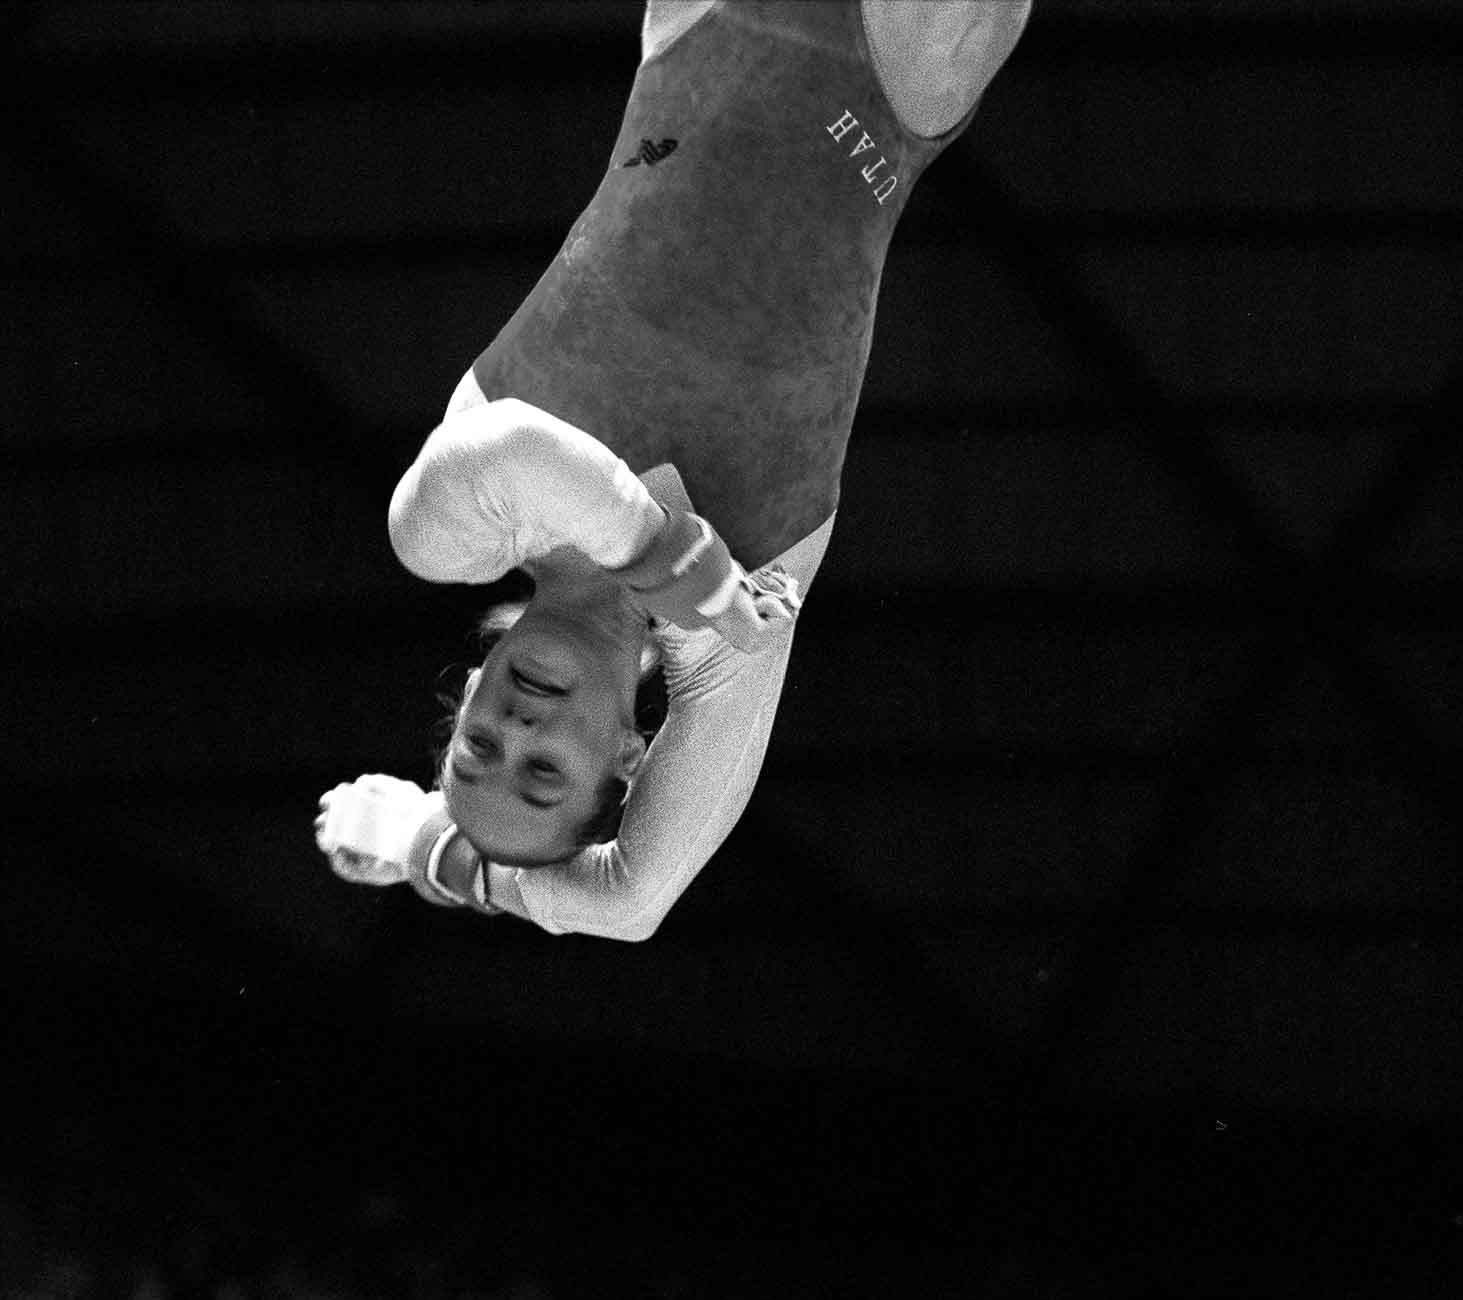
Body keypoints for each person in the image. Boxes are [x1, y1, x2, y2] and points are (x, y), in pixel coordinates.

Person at [314, 0, 1031, 940]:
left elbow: (519, 448)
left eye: (477, 746)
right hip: (887, 90)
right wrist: (443, 858)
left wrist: (670, 562)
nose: (517, 731)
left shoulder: (451, 538)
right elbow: (635, 905)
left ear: (466, 695)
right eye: (543, 774)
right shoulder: (730, 652)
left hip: (712, 26)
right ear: (626, 757)